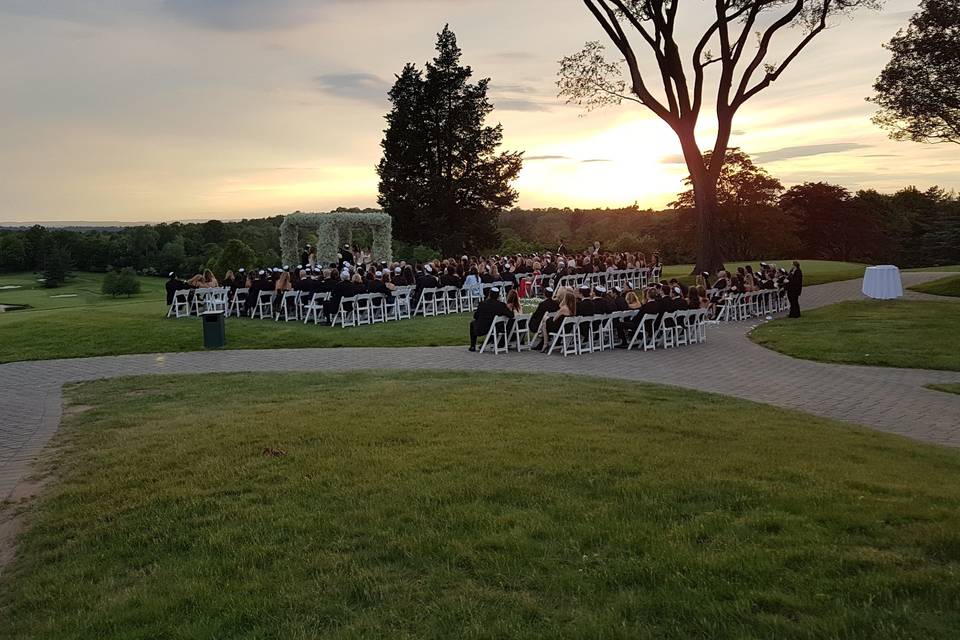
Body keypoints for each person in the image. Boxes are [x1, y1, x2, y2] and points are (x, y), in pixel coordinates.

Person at [468, 288, 514, 352]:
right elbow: (511, 315)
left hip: (482, 329)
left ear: (489, 294)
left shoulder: (482, 304)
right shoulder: (501, 305)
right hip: (495, 329)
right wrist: (510, 308)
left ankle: (473, 346)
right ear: (498, 296)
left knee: (472, 323)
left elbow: (475, 316)